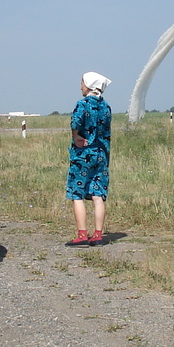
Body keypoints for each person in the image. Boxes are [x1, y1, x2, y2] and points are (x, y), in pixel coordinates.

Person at [66, 71, 112, 246]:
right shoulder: (106, 107)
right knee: (97, 193)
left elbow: (75, 123)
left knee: (76, 193)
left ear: (89, 85)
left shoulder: (82, 104)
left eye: (82, 83)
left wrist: (76, 136)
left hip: (83, 154)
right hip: (101, 154)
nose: (80, 86)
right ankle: (98, 235)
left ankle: (82, 234)